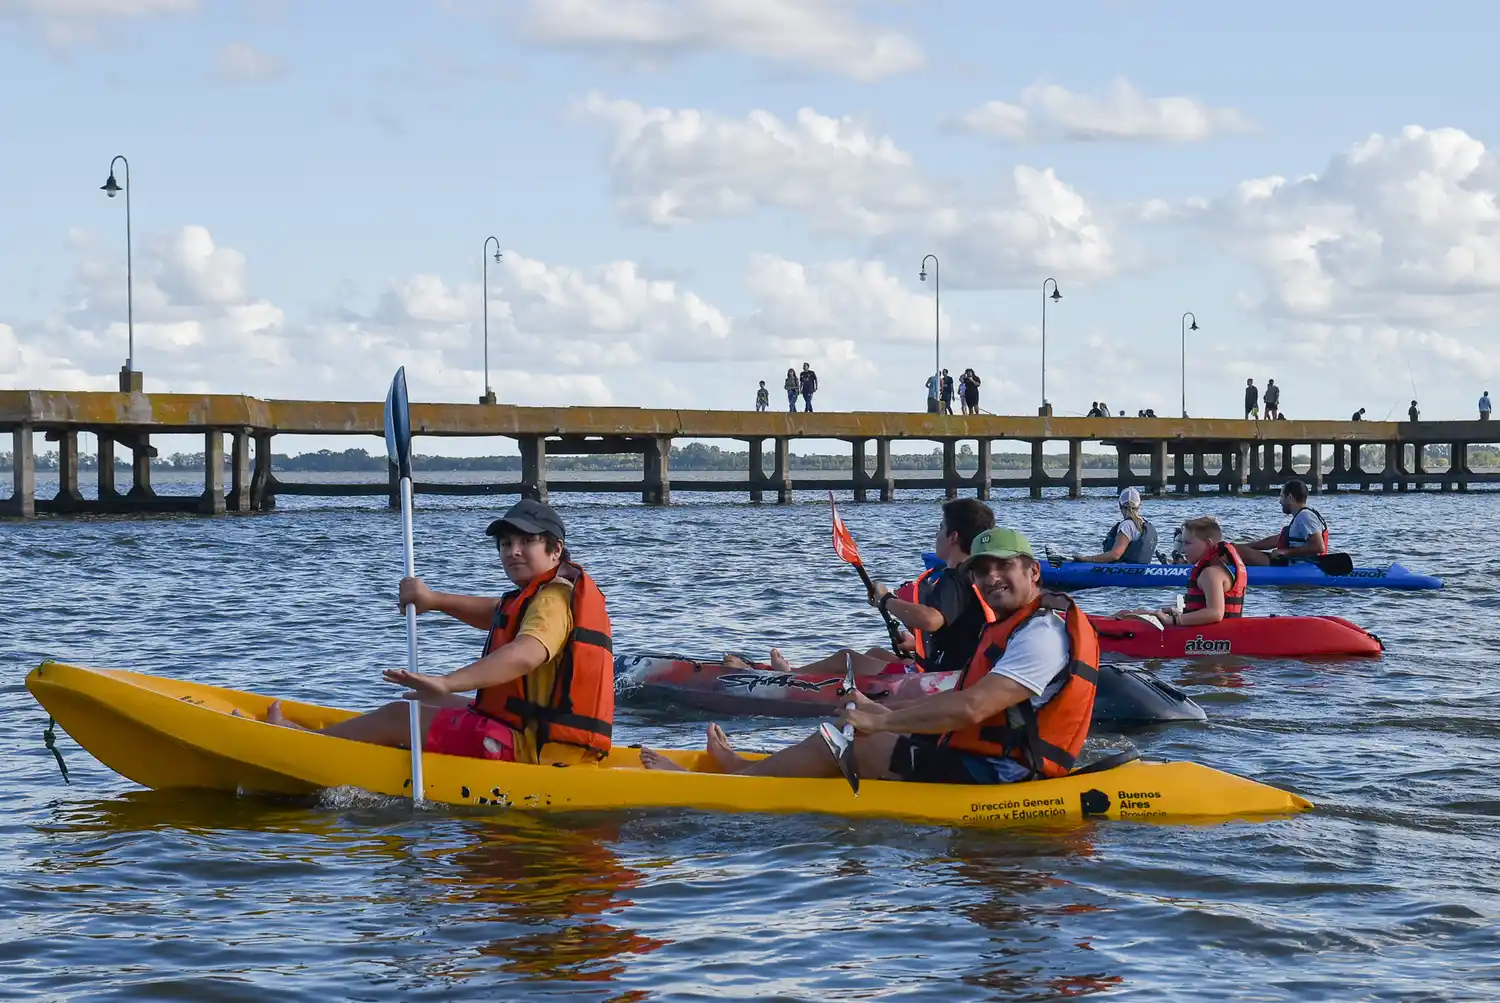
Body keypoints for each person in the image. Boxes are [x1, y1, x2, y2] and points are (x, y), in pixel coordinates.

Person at [644, 528, 1100, 785]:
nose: (992, 577)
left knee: (849, 739)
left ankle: (738, 782)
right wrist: (884, 709)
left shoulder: (1042, 633)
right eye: (983, 570)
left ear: (1033, 571)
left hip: (1003, 774)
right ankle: (748, 769)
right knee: (850, 725)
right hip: (990, 756)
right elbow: (968, 701)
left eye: (1004, 567)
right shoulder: (1023, 621)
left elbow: (973, 707)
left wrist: (878, 724)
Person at [252, 499, 614, 766]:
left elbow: (526, 653)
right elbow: (498, 614)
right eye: (506, 544)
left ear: (555, 550)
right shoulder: (545, 593)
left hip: (530, 751)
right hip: (536, 735)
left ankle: (297, 747)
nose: (513, 552)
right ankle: (326, 737)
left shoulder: (551, 600)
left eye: (526, 542)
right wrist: (434, 599)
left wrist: (447, 682)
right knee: (418, 703)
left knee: (400, 715)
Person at [725, 499, 997, 677]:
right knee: (875, 654)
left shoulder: (955, 578)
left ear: (953, 536)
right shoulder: (973, 575)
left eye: (940, 528)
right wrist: (914, 644)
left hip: (941, 679)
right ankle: (796, 671)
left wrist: (887, 599)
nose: (936, 534)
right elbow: (960, 633)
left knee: (846, 658)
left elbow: (931, 619)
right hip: (951, 669)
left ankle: (785, 678)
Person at [1116, 517, 1245, 626]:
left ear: (1208, 544)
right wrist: (1178, 614)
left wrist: (1174, 620)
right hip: (1206, 630)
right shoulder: (1215, 570)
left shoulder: (1210, 574)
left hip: (1210, 637)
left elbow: (1215, 613)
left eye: (1188, 543)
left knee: (1128, 617)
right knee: (1136, 613)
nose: (1182, 549)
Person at [1234, 478, 1329, 567]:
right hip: (1291, 561)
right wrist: (1249, 546)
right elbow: (1277, 539)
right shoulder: (1302, 515)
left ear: (1290, 497)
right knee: (1236, 549)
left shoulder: (1305, 516)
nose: (1280, 502)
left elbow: (1318, 547)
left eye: (1282, 496)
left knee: (1236, 551)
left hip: (1296, 565)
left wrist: (1285, 552)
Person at [1070, 487, 1159, 564]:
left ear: (1120, 505)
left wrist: (1087, 559)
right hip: (1140, 569)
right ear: (1139, 505)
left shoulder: (1127, 525)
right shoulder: (1143, 524)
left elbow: (1115, 555)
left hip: (1123, 571)